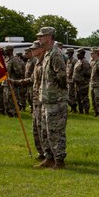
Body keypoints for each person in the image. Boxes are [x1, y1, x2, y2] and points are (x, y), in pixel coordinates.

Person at [35, 27, 69, 169]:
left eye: (41, 36)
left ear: (49, 37)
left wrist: (57, 93)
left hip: (56, 100)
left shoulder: (56, 54)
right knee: (45, 130)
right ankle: (49, 157)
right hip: (46, 99)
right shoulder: (48, 53)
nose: (39, 39)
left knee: (55, 131)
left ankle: (59, 160)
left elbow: (61, 76)